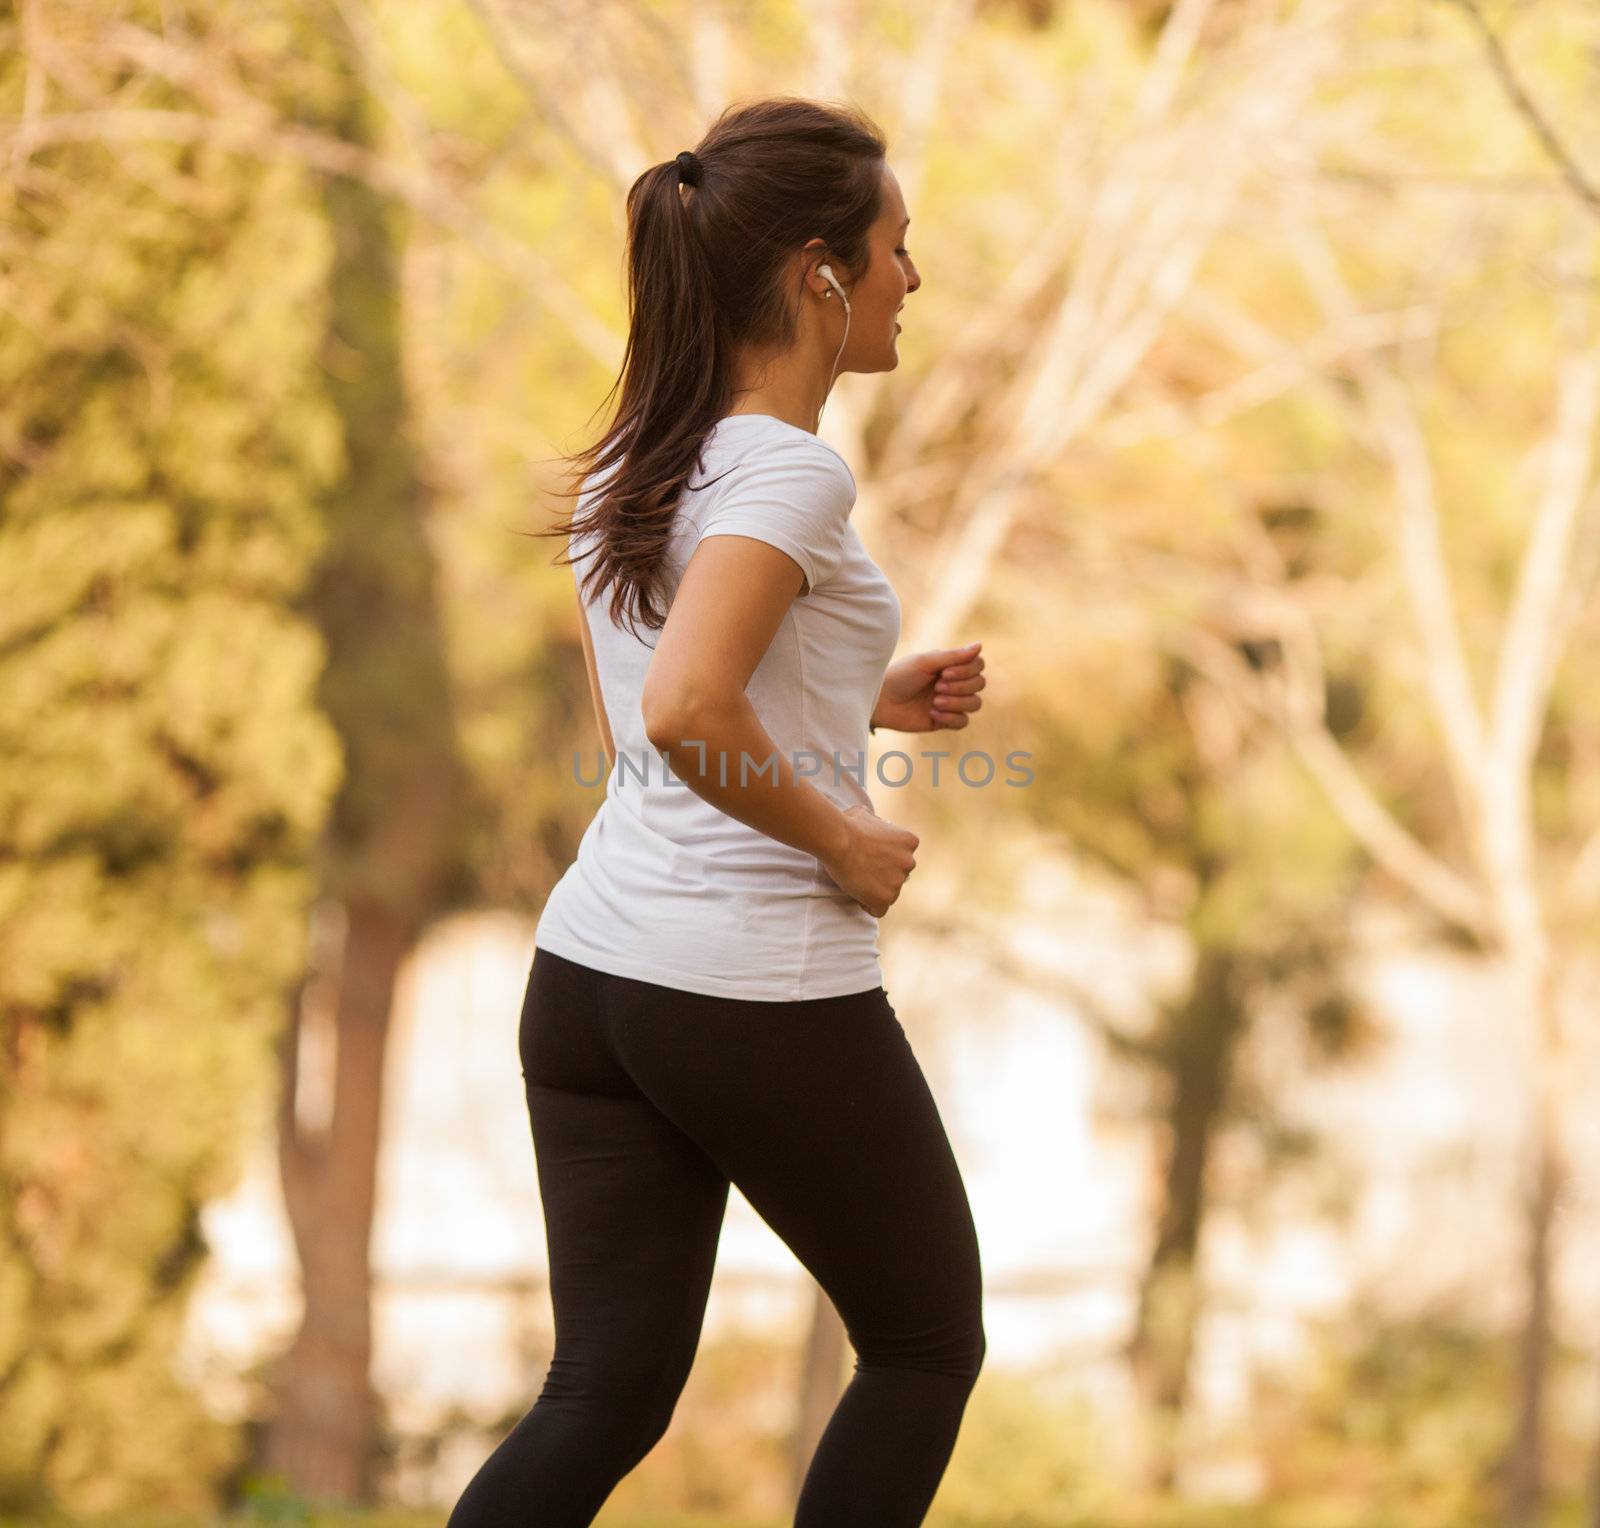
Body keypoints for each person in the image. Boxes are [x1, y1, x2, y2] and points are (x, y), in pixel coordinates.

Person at [446, 96, 990, 1528]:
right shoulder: (790, 468)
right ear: (819, 269)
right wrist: (845, 837)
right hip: (745, 983)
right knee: (927, 1347)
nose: (907, 282)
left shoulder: (640, 454)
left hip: (592, 982)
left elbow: (663, 692)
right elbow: (688, 709)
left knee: (604, 1394)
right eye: (894, 248)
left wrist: (862, 696)